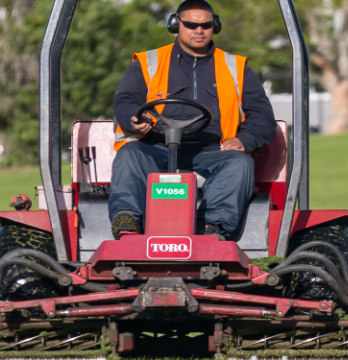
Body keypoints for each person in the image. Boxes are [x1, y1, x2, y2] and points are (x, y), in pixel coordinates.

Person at [109, 0, 277, 239]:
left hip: (211, 148)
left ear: (214, 27)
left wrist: (244, 140)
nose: (199, 30)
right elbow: (125, 100)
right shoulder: (148, 63)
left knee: (240, 163)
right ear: (176, 25)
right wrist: (133, 118)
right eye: (191, 24)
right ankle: (127, 220)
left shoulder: (236, 68)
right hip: (155, 145)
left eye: (206, 25)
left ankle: (212, 228)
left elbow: (261, 115)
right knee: (130, 153)